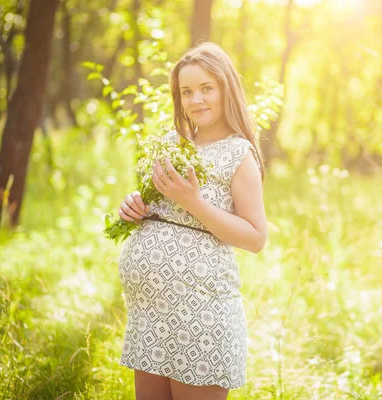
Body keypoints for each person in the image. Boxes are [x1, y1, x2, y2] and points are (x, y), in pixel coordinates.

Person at [116, 41, 268, 400]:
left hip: (200, 315)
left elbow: (256, 238)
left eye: (206, 89)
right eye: (187, 91)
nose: (196, 100)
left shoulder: (239, 153)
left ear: (225, 88)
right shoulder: (173, 142)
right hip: (150, 314)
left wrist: (195, 203)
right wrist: (133, 207)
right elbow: (158, 207)